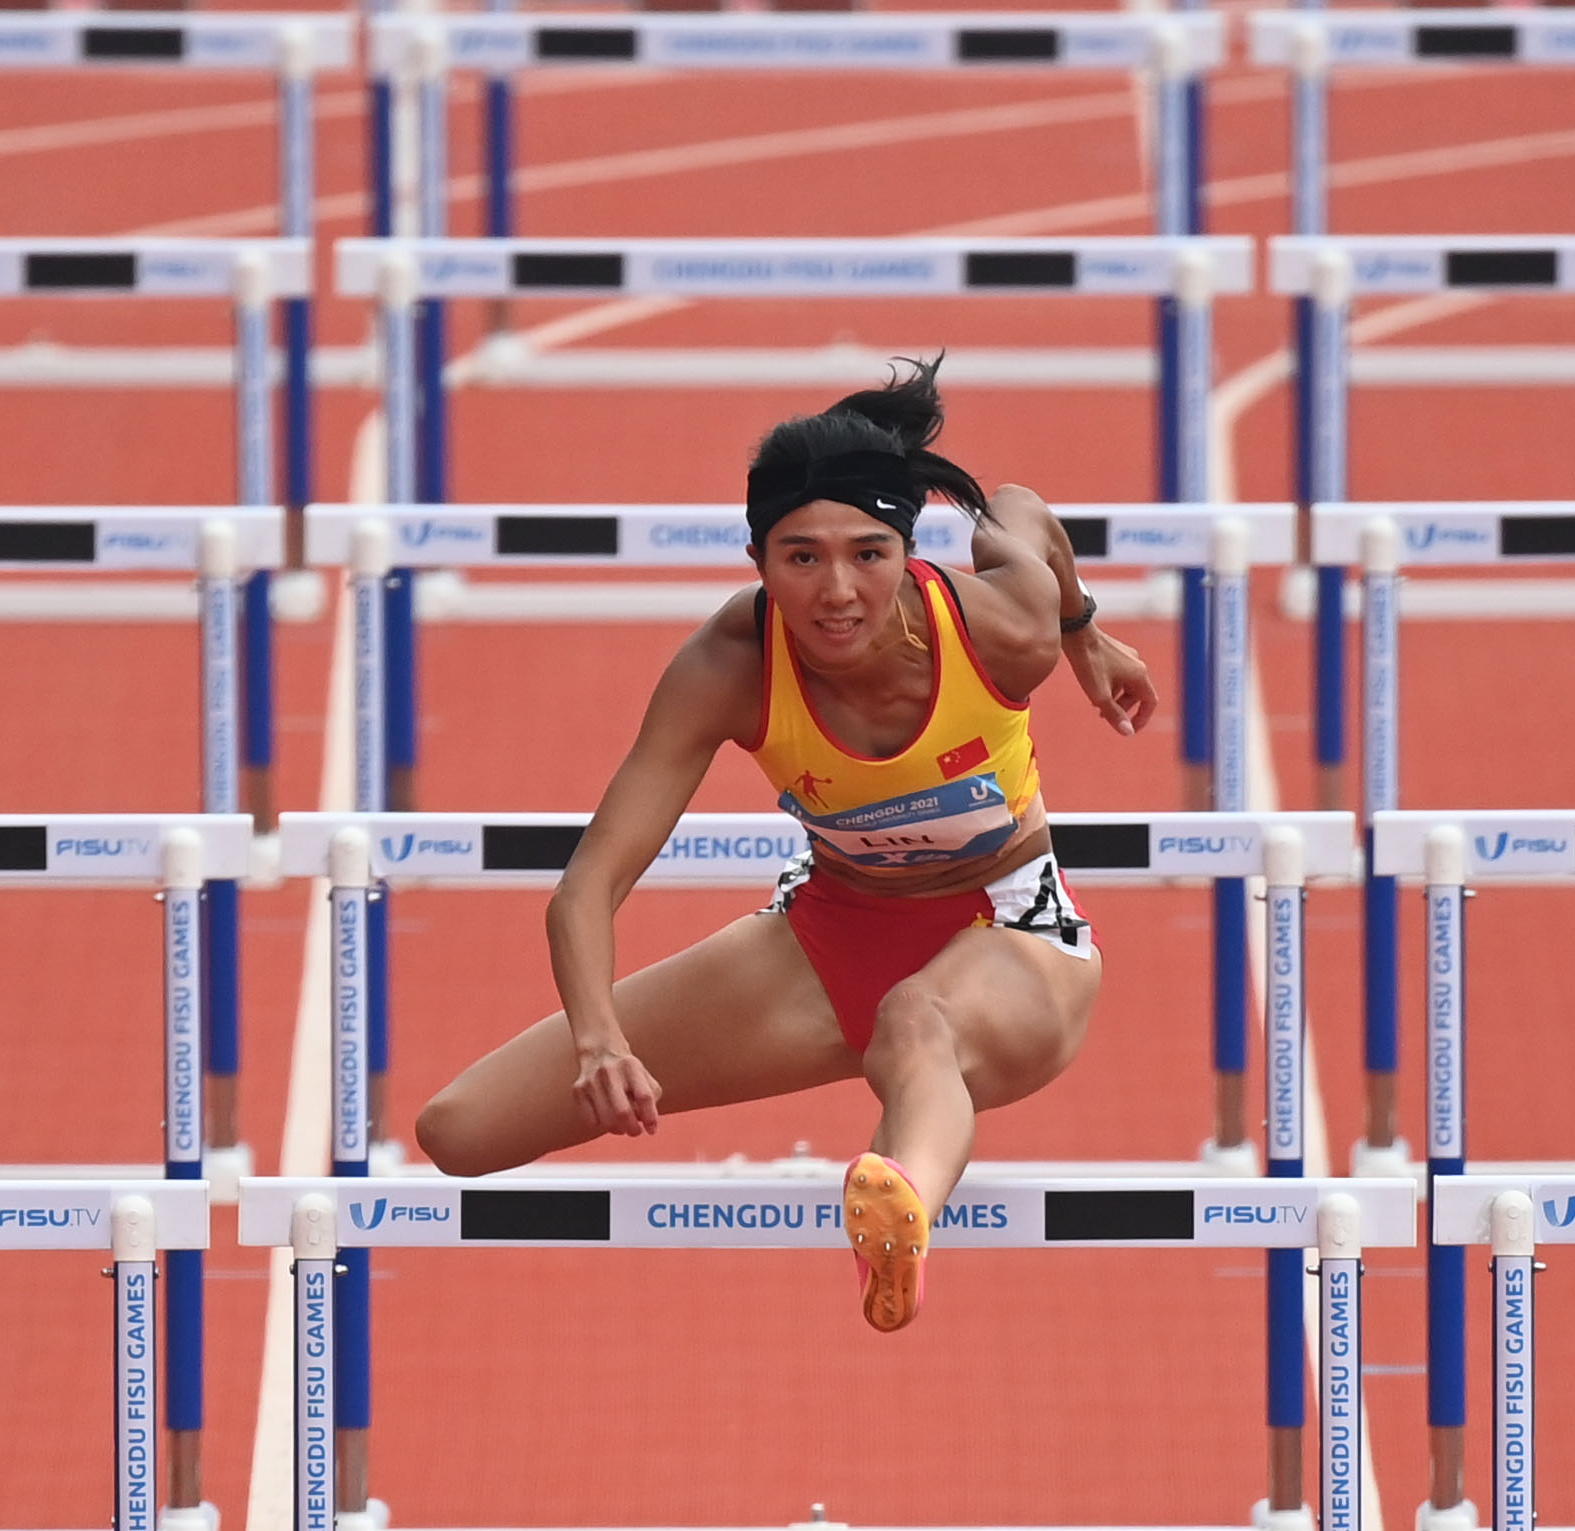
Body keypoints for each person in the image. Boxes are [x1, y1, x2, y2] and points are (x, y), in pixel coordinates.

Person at [412, 361, 1160, 1332]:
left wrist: (1084, 630)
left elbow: (1018, 508)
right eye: (800, 556)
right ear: (759, 558)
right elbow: (586, 886)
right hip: (828, 937)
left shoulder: (1003, 631)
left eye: (869, 552)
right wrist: (599, 1040)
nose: (837, 590)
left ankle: (901, 1211)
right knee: (459, 1129)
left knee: (915, 1020)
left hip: (1011, 934)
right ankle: (902, 1138)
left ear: (906, 549)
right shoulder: (729, 664)